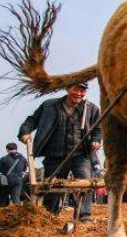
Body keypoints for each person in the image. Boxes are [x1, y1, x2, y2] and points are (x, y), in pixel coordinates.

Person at [17, 81, 101, 221]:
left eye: (82, 91)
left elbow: (98, 128)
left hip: (81, 154)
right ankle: (51, 215)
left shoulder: (92, 109)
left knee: (85, 183)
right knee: (53, 185)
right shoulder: (49, 106)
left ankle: (83, 217)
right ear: (67, 89)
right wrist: (24, 133)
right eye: (76, 89)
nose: (79, 94)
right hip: (54, 154)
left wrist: (97, 140)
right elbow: (32, 120)